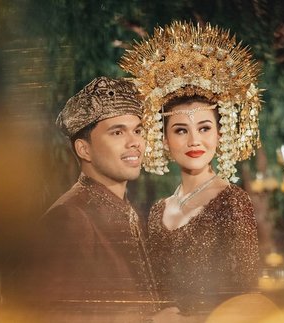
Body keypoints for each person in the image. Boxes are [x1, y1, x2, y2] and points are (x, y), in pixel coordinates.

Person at [120, 21, 262, 317]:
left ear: (220, 135)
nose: (195, 140)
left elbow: (247, 298)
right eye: (181, 130)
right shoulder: (159, 211)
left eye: (205, 128)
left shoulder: (232, 202)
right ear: (165, 139)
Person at [31, 76, 161, 321]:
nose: (135, 143)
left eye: (138, 130)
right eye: (117, 132)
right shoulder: (69, 218)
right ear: (84, 150)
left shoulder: (125, 210)